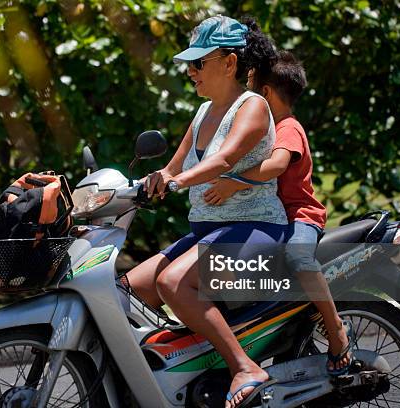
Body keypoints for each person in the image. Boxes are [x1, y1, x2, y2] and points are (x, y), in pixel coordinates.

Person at [126, 16, 287, 408]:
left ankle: (245, 367)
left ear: (229, 63)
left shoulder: (252, 106)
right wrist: (152, 181)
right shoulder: (202, 113)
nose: (190, 71)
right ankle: (183, 365)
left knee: (174, 283)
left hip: (256, 230)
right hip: (208, 233)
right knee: (128, 289)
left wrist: (179, 183)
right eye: (189, 63)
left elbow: (225, 159)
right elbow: (174, 166)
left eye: (199, 62)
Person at [203, 50, 354, 375]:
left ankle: (336, 328)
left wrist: (234, 183)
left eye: (251, 88)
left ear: (266, 93)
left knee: (298, 257)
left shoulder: (288, 127)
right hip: (273, 219)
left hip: (301, 216)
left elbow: (277, 164)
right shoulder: (267, 127)